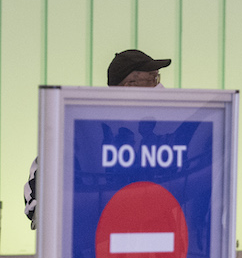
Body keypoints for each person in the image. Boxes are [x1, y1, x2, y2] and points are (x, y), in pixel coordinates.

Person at [23, 48, 172, 226]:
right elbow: (40, 181)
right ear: (129, 86)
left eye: (158, 78)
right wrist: (45, 214)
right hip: (100, 238)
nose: (160, 87)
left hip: (156, 239)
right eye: (152, 80)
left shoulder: (162, 129)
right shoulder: (87, 128)